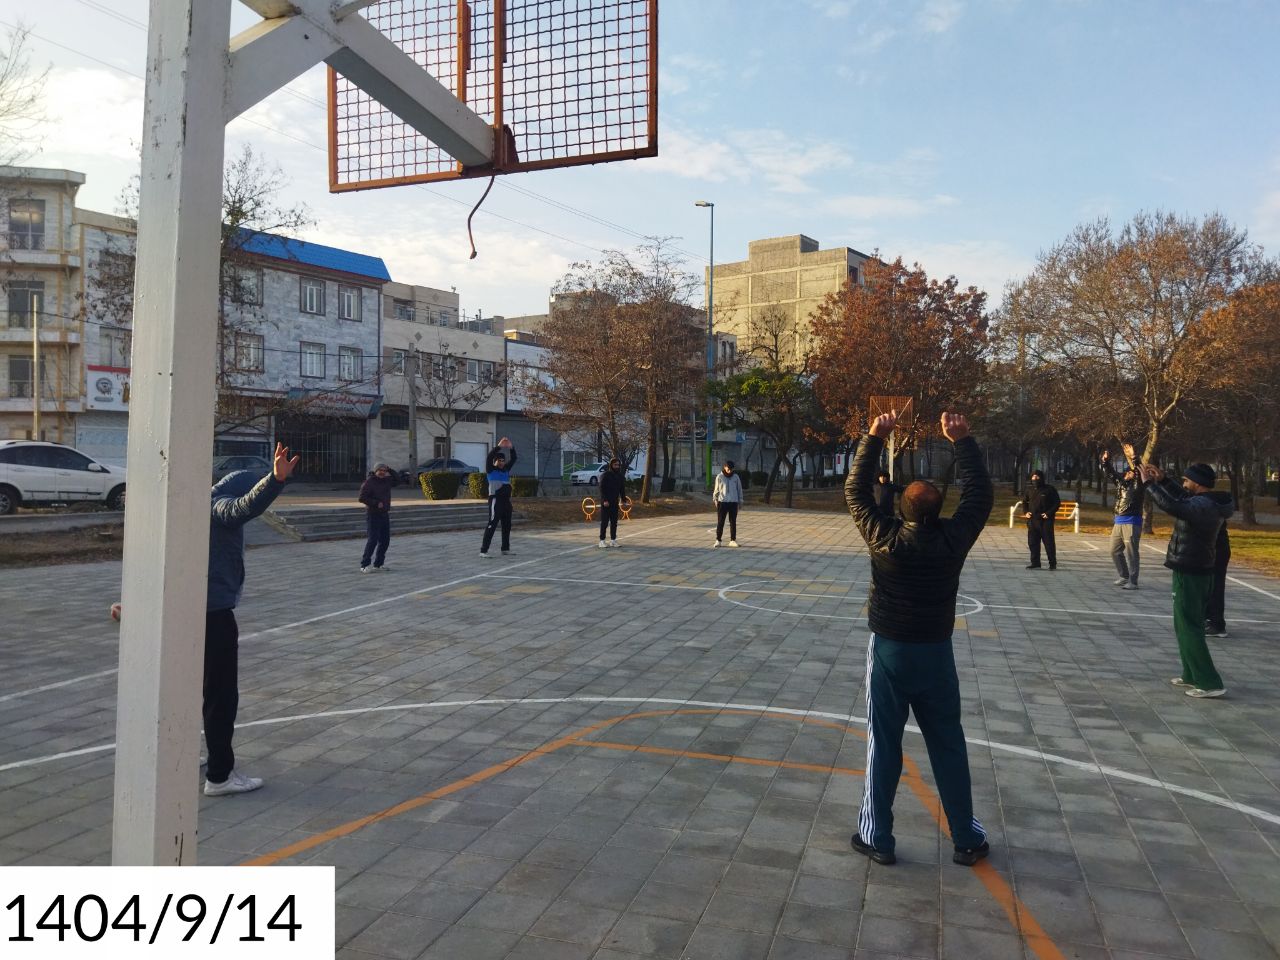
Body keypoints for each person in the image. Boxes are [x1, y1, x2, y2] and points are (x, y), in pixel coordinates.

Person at [845, 410, 994, 867]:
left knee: (884, 743)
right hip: (936, 653)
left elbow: (855, 491)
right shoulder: (953, 539)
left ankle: (878, 837)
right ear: (939, 510)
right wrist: (962, 440)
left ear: (901, 510)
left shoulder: (883, 535)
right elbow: (980, 496)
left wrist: (874, 437)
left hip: (890, 651)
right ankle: (965, 837)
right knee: (948, 742)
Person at [205, 441, 299, 795]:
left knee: (192, 691)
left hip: (185, 610)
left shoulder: (188, 507)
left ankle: (196, 754)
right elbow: (242, 508)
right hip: (213, 614)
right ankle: (219, 775)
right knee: (221, 696)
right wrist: (274, 480)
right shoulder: (218, 506)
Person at [1139, 461, 1233, 698]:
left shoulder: (1203, 506)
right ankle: (1191, 673)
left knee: (1189, 626)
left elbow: (1172, 505)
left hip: (1190, 571)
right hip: (1196, 568)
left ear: (1198, 483)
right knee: (1184, 624)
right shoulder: (1206, 502)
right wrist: (1163, 480)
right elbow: (1182, 498)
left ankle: (1209, 682)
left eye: (1187, 480)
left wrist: (1149, 485)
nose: (1184, 483)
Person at [1101, 444, 1144, 589]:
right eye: (1127, 472)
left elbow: (1138, 471)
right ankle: (1124, 576)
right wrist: (1105, 461)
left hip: (1131, 521)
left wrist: (1133, 457)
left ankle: (1133, 581)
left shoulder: (1138, 486)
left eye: (1132, 472)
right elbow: (1111, 473)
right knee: (1114, 550)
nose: (1129, 473)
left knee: (1132, 553)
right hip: (1118, 521)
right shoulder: (1121, 484)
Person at [480, 437, 517, 557]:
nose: (501, 462)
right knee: (492, 524)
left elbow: (514, 459)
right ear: (495, 461)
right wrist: (499, 447)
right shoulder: (490, 470)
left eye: (503, 460)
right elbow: (489, 457)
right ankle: (483, 551)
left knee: (507, 525)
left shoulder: (505, 470)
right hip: (495, 500)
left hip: (506, 502)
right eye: (499, 460)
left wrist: (511, 448)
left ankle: (505, 549)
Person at [359, 462, 393, 572]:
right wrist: (375, 503)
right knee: (373, 540)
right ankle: (364, 565)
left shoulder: (387, 481)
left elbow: (398, 480)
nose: (382, 472)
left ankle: (378, 564)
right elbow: (362, 498)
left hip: (384, 514)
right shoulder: (369, 482)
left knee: (385, 541)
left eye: (384, 470)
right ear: (375, 471)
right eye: (380, 470)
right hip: (373, 514)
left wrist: (390, 469)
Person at [1023, 469, 1060, 570]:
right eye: (1033, 476)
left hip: (1046, 521)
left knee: (1049, 543)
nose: (1035, 478)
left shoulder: (1050, 489)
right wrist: (1026, 512)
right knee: (1032, 543)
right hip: (1032, 520)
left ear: (1041, 478)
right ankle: (1035, 563)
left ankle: (1052, 563)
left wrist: (1048, 513)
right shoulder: (1029, 490)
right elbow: (1024, 502)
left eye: (1037, 476)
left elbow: (1057, 503)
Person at [1206, 522, 1230, 638]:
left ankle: (1216, 624)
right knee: (1209, 586)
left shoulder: (1214, 512)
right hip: (1213, 547)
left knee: (1215, 587)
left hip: (1216, 548)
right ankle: (1209, 619)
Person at [712, 460, 743, 548]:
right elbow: (716, 490)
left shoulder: (736, 477)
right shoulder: (719, 477)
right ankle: (718, 540)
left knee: (733, 522)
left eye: (731, 469)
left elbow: (739, 489)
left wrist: (740, 501)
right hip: (722, 502)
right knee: (720, 522)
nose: (730, 471)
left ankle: (733, 540)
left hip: (733, 502)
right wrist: (715, 499)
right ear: (725, 467)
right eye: (728, 469)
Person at [598, 457, 625, 548]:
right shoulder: (605, 475)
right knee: (605, 522)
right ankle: (602, 541)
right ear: (611, 465)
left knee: (614, 522)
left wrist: (624, 499)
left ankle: (613, 540)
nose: (617, 466)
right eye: (615, 465)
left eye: (618, 465)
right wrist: (604, 500)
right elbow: (602, 488)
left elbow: (622, 489)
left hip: (614, 502)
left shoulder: (620, 476)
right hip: (606, 503)